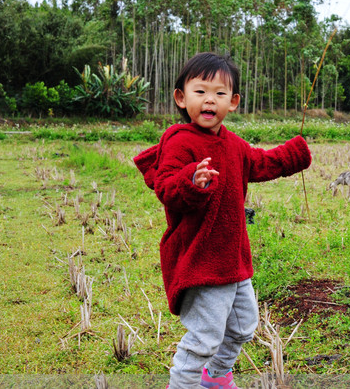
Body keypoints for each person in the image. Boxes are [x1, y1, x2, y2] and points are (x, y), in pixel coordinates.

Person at [133, 52, 312, 389]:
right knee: (204, 338)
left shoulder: (233, 144)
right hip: (201, 257)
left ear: (233, 102)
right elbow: (166, 187)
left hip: (232, 257)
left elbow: (261, 163)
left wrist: (294, 153)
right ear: (181, 98)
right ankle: (184, 384)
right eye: (200, 92)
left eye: (219, 93)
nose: (209, 100)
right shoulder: (180, 141)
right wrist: (192, 180)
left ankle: (214, 379)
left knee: (244, 325)